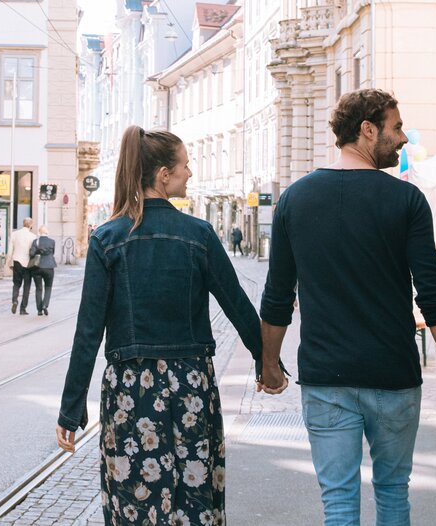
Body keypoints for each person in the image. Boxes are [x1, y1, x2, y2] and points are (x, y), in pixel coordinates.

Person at [257, 89, 436, 526]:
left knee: (338, 503)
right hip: (393, 376)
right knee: (393, 493)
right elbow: (434, 294)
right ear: (368, 130)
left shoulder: (295, 200)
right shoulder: (405, 200)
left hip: (326, 377)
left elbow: (278, 296)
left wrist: (270, 365)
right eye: (397, 127)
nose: (403, 138)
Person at [56, 125, 276, 526]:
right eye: (185, 165)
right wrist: (267, 362)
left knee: (135, 502)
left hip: (130, 391)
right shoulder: (199, 235)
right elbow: (238, 305)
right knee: (194, 500)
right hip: (191, 385)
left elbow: (88, 331)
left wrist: (71, 410)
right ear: (163, 174)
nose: (190, 173)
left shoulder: (107, 239)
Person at [6, 218, 37, 314]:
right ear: (31, 225)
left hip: (17, 261)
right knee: (27, 286)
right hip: (28, 264)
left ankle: (15, 300)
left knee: (16, 283)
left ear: (23, 224)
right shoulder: (33, 236)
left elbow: (10, 250)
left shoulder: (15, 234)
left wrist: (8, 262)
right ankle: (23, 308)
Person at [29, 225, 56, 316]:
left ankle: (39, 310)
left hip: (37, 267)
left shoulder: (36, 241)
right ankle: (45, 304)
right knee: (48, 287)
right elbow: (52, 253)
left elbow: (31, 254)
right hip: (49, 266)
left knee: (38, 288)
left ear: (39, 232)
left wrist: (37, 251)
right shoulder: (52, 241)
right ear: (47, 232)